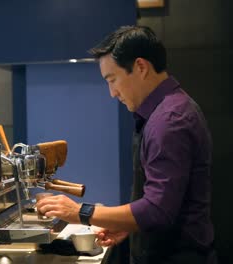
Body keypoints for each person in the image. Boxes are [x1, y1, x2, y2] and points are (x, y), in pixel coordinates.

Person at [36, 25, 216, 264]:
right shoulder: (168, 110)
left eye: (113, 80)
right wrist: (127, 225)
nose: (112, 92)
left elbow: (157, 210)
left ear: (141, 67)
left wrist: (80, 212)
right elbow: (167, 203)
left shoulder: (170, 121)